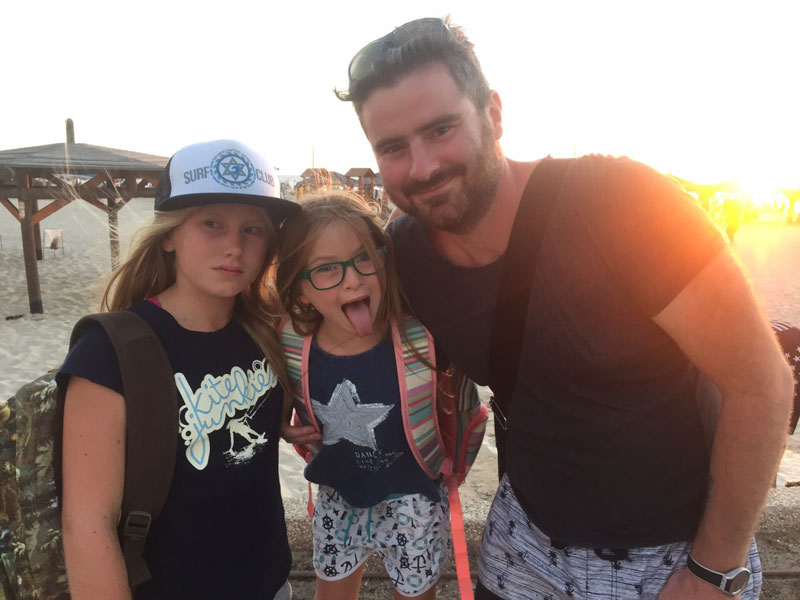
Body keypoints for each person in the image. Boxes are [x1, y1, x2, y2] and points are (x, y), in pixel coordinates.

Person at [335, 17, 795, 600]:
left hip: (673, 552)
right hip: (523, 543)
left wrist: (715, 567)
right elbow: (339, 330)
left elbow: (761, 384)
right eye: (393, 148)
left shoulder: (620, 202)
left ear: (494, 114)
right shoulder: (406, 251)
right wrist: (297, 412)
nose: (421, 167)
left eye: (441, 129)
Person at [58, 139, 298, 599]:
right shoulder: (109, 353)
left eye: (253, 229)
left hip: (271, 587)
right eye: (212, 223)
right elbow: (87, 526)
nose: (234, 246)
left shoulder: (269, 333)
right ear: (169, 235)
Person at [276, 192, 451, 600]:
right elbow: (282, 388)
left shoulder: (417, 338)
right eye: (326, 270)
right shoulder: (291, 343)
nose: (352, 278)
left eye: (363, 258)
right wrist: (283, 424)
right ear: (300, 290)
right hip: (339, 493)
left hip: (413, 498)